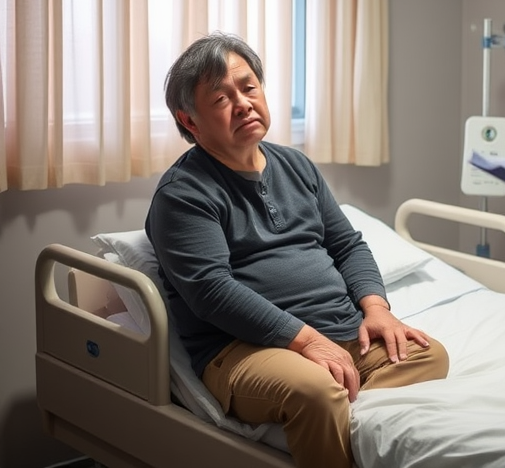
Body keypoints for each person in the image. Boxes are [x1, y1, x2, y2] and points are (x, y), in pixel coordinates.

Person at [145, 32, 449, 468]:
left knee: (428, 354)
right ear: (189, 122)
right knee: (315, 391)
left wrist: (377, 309)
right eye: (221, 99)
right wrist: (306, 342)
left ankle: (341, 418)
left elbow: (346, 245)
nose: (243, 104)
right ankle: (331, 411)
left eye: (249, 87)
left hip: (343, 331)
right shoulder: (183, 194)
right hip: (246, 349)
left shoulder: (296, 165)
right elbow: (211, 291)